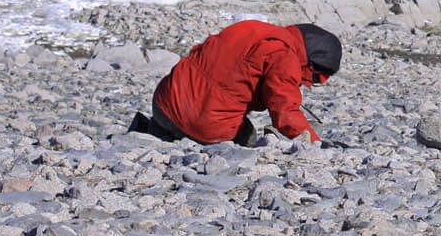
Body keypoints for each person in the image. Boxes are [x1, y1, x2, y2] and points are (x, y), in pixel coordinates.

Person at [130, 21, 339, 145]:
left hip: (164, 102)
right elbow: (285, 112)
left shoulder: (253, 28)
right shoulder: (286, 57)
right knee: (248, 139)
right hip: (206, 126)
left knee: (178, 119)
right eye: (313, 78)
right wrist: (315, 144)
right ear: (312, 62)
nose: (309, 83)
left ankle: (150, 134)